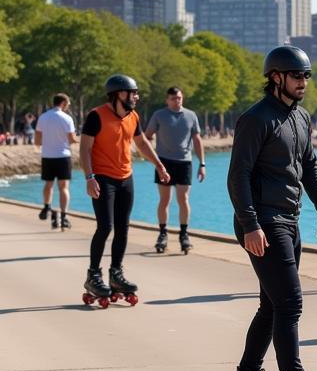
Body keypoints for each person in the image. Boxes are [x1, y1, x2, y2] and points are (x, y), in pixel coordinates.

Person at [225, 45, 317, 371]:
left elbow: (309, 165)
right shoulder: (256, 119)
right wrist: (250, 223)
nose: (303, 82)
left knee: (272, 307)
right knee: (290, 304)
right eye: (296, 76)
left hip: (289, 221)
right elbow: (237, 175)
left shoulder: (301, 117)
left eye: (306, 76)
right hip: (263, 223)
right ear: (276, 77)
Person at [79, 74, 170, 302]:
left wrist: (159, 165)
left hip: (125, 178)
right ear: (120, 93)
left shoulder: (133, 116)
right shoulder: (96, 116)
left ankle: (116, 274)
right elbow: (84, 149)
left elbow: (141, 143)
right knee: (105, 227)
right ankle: (93, 275)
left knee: (123, 228)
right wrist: (89, 177)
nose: (136, 97)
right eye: (133, 93)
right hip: (102, 178)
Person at [145, 86, 206, 254]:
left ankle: (184, 234)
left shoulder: (191, 115)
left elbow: (197, 139)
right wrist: (151, 157)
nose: (176, 101)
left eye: (179, 98)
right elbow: (147, 136)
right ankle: (163, 233)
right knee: (164, 200)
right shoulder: (159, 115)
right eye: (173, 98)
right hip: (164, 162)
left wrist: (202, 164)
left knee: (183, 199)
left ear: (182, 98)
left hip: (184, 162)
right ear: (167, 100)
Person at [34, 93, 76, 229]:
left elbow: (37, 141)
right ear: (63, 102)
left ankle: (47, 207)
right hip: (63, 156)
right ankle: (64, 216)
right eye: (68, 104)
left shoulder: (43, 117)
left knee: (48, 184)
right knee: (63, 187)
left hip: (47, 156)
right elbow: (71, 140)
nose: (68, 106)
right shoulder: (67, 118)